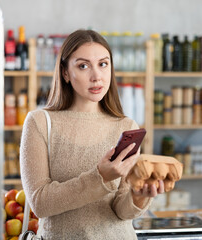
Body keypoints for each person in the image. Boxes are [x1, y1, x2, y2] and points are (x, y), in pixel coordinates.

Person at [20, 29, 165, 240]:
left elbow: (121, 212)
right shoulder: (40, 123)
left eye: (103, 64)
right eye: (83, 66)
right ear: (65, 73)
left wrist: (138, 196)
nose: (96, 76)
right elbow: (40, 203)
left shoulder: (126, 127)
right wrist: (101, 177)